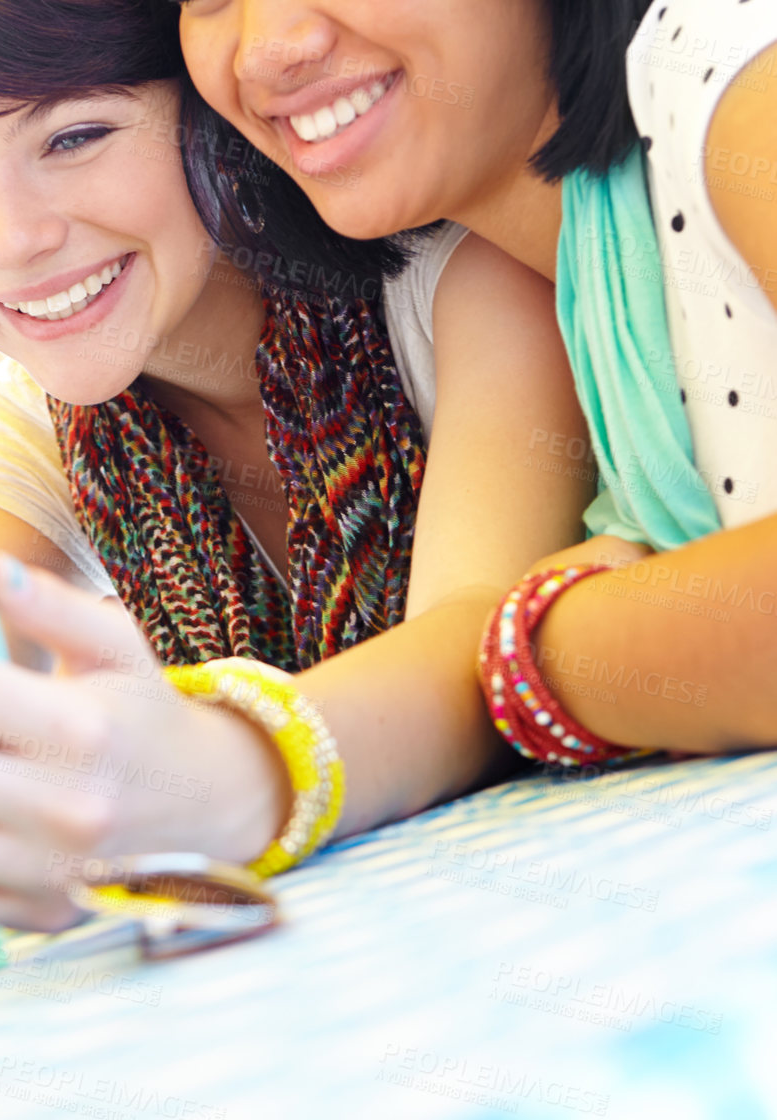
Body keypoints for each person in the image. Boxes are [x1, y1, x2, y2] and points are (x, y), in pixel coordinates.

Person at [0, 0, 590, 986]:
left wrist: (221, 773)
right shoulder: (32, 427)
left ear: (204, 112)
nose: (13, 240)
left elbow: (481, 654)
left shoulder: (460, 286)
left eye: (77, 134)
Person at [177, 0, 777, 761]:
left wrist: (538, 653)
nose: (267, 51)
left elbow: (539, 652)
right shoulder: (589, 277)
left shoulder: (731, 75)